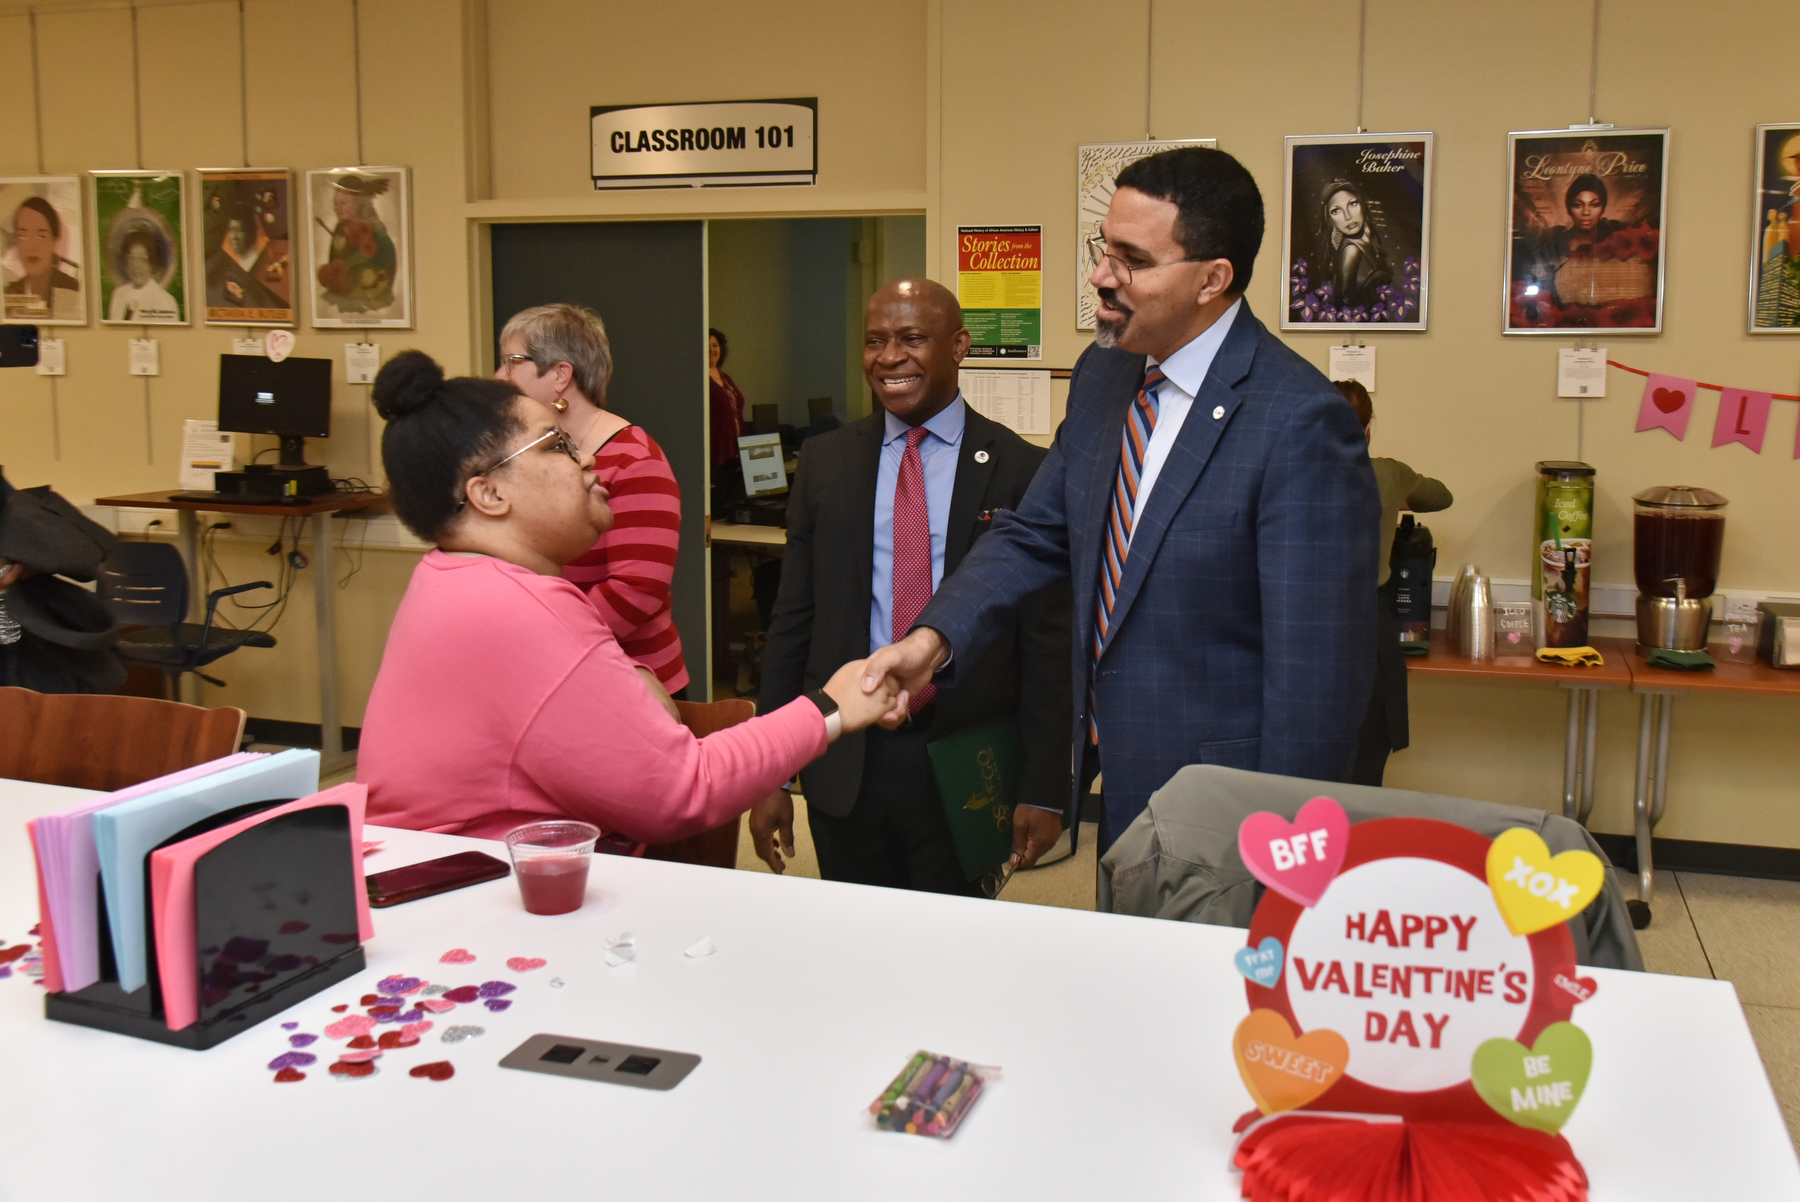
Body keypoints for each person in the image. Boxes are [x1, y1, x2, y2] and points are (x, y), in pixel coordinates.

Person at [862, 146, 1380, 855]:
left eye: (1132, 260)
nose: (1102, 277)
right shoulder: (1106, 373)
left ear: (1213, 278)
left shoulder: (1299, 421)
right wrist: (930, 639)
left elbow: (1315, 682)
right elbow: (1037, 533)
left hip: (1228, 803)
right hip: (1113, 783)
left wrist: (1289, 857)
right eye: (1103, 250)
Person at [357, 350, 898, 841]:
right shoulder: (519, 609)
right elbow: (682, 790)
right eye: (559, 444)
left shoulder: (453, 577)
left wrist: (635, 681)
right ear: (490, 493)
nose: (588, 459)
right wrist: (831, 708)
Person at [752, 279, 1071, 891]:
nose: (889, 356)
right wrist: (771, 770)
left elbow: (1047, 645)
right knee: (852, 945)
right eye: (874, 341)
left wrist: (1044, 786)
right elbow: (794, 620)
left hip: (965, 762)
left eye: (912, 338)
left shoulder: (1021, 469)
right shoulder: (826, 463)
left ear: (959, 346)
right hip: (846, 754)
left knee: (954, 956)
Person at [497, 303, 688, 702]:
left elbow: (636, 590)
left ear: (560, 375)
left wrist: (542, 640)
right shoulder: (528, 455)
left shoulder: (635, 459)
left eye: (510, 362)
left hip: (634, 688)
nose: (498, 376)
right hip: (555, 680)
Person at [1335, 378, 1452, 786]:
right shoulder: (1387, 474)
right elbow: (1441, 496)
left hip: (1295, 623)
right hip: (1367, 623)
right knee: (1366, 756)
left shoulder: (1290, 469)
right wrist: (1398, 497)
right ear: (1368, 429)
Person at [316, 174, 397, 315]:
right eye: (336, 203)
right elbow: (334, 262)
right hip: (344, 293)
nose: (338, 208)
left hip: (372, 294)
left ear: (358, 203)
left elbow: (387, 263)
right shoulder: (339, 229)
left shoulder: (375, 230)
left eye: (343, 203)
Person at [4, 197, 82, 322]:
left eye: (41, 236)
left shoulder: (69, 287)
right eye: (23, 236)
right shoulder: (11, 292)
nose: (32, 245)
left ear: (54, 240)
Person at [1317, 179, 1391, 311]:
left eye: (1353, 204)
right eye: (1336, 211)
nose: (1348, 216)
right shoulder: (1351, 250)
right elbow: (1344, 305)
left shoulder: (1367, 241)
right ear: (1330, 220)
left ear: (1362, 205)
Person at [205, 200, 285, 313]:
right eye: (232, 231)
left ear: (251, 231)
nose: (234, 237)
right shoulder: (231, 265)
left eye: (239, 230)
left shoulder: (266, 264)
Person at [107, 230, 179, 322]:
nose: (136, 266)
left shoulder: (165, 301)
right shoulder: (118, 294)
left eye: (143, 259)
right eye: (131, 258)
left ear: (153, 263)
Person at [708, 328, 746, 470]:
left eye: (715, 345)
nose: (711, 350)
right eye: (707, 346)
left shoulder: (726, 378)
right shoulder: (700, 380)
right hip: (717, 449)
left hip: (736, 447)